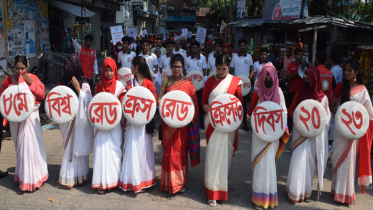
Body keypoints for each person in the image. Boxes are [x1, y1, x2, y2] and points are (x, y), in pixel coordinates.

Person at [0, 55, 48, 191]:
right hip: (16, 121)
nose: (19, 71)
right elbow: (3, 99)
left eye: (22, 68)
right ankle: (23, 177)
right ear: (13, 68)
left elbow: (41, 95)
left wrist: (31, 84)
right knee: (21, 148)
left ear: (27, 68)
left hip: (31, 119)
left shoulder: (33, 78)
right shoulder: (8, 81)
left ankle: (36, 177)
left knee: (33, 147)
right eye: (17, 68)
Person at [202, 54, 243, 207]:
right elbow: (203, 102)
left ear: (229, 67)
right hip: (213, 124)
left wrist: (227, 118)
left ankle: (222, 190)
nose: (221, 72)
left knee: (225, 157)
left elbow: (239, 104)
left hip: (228, 126)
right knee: (213, 157)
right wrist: (213, 115)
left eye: (224, 69)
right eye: (218, 69)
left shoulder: (235, 82)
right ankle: (211, 192)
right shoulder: (210, 81)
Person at [330, 59, 373, 205]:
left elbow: (369, 113)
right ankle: (336, 190)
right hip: (340, 129)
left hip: (353, 130)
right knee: (337, 159)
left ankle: (346, 193)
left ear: (356, 72)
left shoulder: (362, 90)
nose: (346, 73)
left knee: (348, 161)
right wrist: (341, 118)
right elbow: (332, 105)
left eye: (350, 70)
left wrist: (355, 123)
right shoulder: (341, 86)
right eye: (345, 70)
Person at [286, 66, 331, 203]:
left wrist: (315, 126)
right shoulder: (299, 94)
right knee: (298, 161)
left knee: (310, 164)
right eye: (304, 78)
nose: (306, 80)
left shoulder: (322, 99)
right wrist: (300, 122)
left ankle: (306, 192)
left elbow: (327, 116)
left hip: (314, 137)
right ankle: (294, 191)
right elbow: (291, 110)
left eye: (308, 78)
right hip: (301, 134)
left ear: (315, 80)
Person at [157, 54, 200, 194]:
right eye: (175, 66)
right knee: (169, 153)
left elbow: (194, 105)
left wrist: (185, 117)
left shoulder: (188, 84)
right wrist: (168, 112)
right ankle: (167, 182)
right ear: (171, 67)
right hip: (168, 124)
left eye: (179, 67)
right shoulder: (166, 81)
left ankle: (179, 183)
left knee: (180, 153)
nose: (177, 69)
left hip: (182, 126)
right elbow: (159, 99)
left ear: (183, 68)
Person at [248, 63, 289, 210]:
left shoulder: (279, 93)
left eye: (270, 77)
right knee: (260, 165)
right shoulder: (256, 93)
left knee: (270, 165)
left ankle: (269, 196)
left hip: (273, 136)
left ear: (275, 77)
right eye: (265, 77)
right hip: (259, 136)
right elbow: (250, 113)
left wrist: (274, 129)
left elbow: (284, 113)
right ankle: (258, 197)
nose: (267, 80)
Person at [119, 56, 157, 193]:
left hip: (144, 124)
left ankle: (144, 179)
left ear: (135, 67)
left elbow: (154, 103)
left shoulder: (149, 84)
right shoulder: (128, 84)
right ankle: (132, 181)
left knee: (143, 151)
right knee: (132, 150)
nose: (130, 68)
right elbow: (124, 101)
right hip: (131, 122)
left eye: (132, 65)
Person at [58, 54, 93, 188]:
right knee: (68, 146)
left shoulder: (84, 83)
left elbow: (89, 102)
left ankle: (78, 176)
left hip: (78, 122)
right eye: (65, 65)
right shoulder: (62, 81)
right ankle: (69, 176)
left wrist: (79, 90)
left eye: (69, 65)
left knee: (75, 147)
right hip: (67, 121)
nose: (66, 68)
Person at [92, 58, 125, 194]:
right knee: (100, 152)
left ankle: (114, 180)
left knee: (114, 152)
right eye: (106, 70)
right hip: (100, 125)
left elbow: (123, 107)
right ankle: (101, 182)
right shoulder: (99, 86)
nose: (109, 73)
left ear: (115, 70)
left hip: (115, 126)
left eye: (111, 70)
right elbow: (94, 105)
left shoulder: (120, 87)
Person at [229, 39, 254, 131]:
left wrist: (248, 80)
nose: (242, 47)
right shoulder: (235, 57)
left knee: (244, 105)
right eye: (241, 46)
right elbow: (231, 70)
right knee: (235, 103)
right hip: (237, 84)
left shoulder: (249, 57)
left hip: (246, 85)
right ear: (238, 47)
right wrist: (234, 80)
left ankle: (245, 123)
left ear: (245, 46)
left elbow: (252, 70)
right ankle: (234, 122)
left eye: (244, 45)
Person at [186, 41, 208, 129]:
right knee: (190, 103)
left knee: (199, 103)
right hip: (190, 85)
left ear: (199, 48)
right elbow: (185, 71)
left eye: (195, 48)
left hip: (199, 85)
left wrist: (199, 78)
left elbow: (205, 71)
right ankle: (189, 120)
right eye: (192, 48)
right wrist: (190, 75)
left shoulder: (203, 58)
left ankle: (201, 121)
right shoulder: (188, 59)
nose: (194, 49)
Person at [286, 48, 303, 131]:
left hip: (302, 93)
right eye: (299, 54)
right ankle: (289, 128)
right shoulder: (291, 66)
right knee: (290, 110)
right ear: (295, 56)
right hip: (293, 91)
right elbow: (288, 77)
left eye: (301, 54)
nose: (301, 56)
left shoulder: (305, 65)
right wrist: (298, 71)